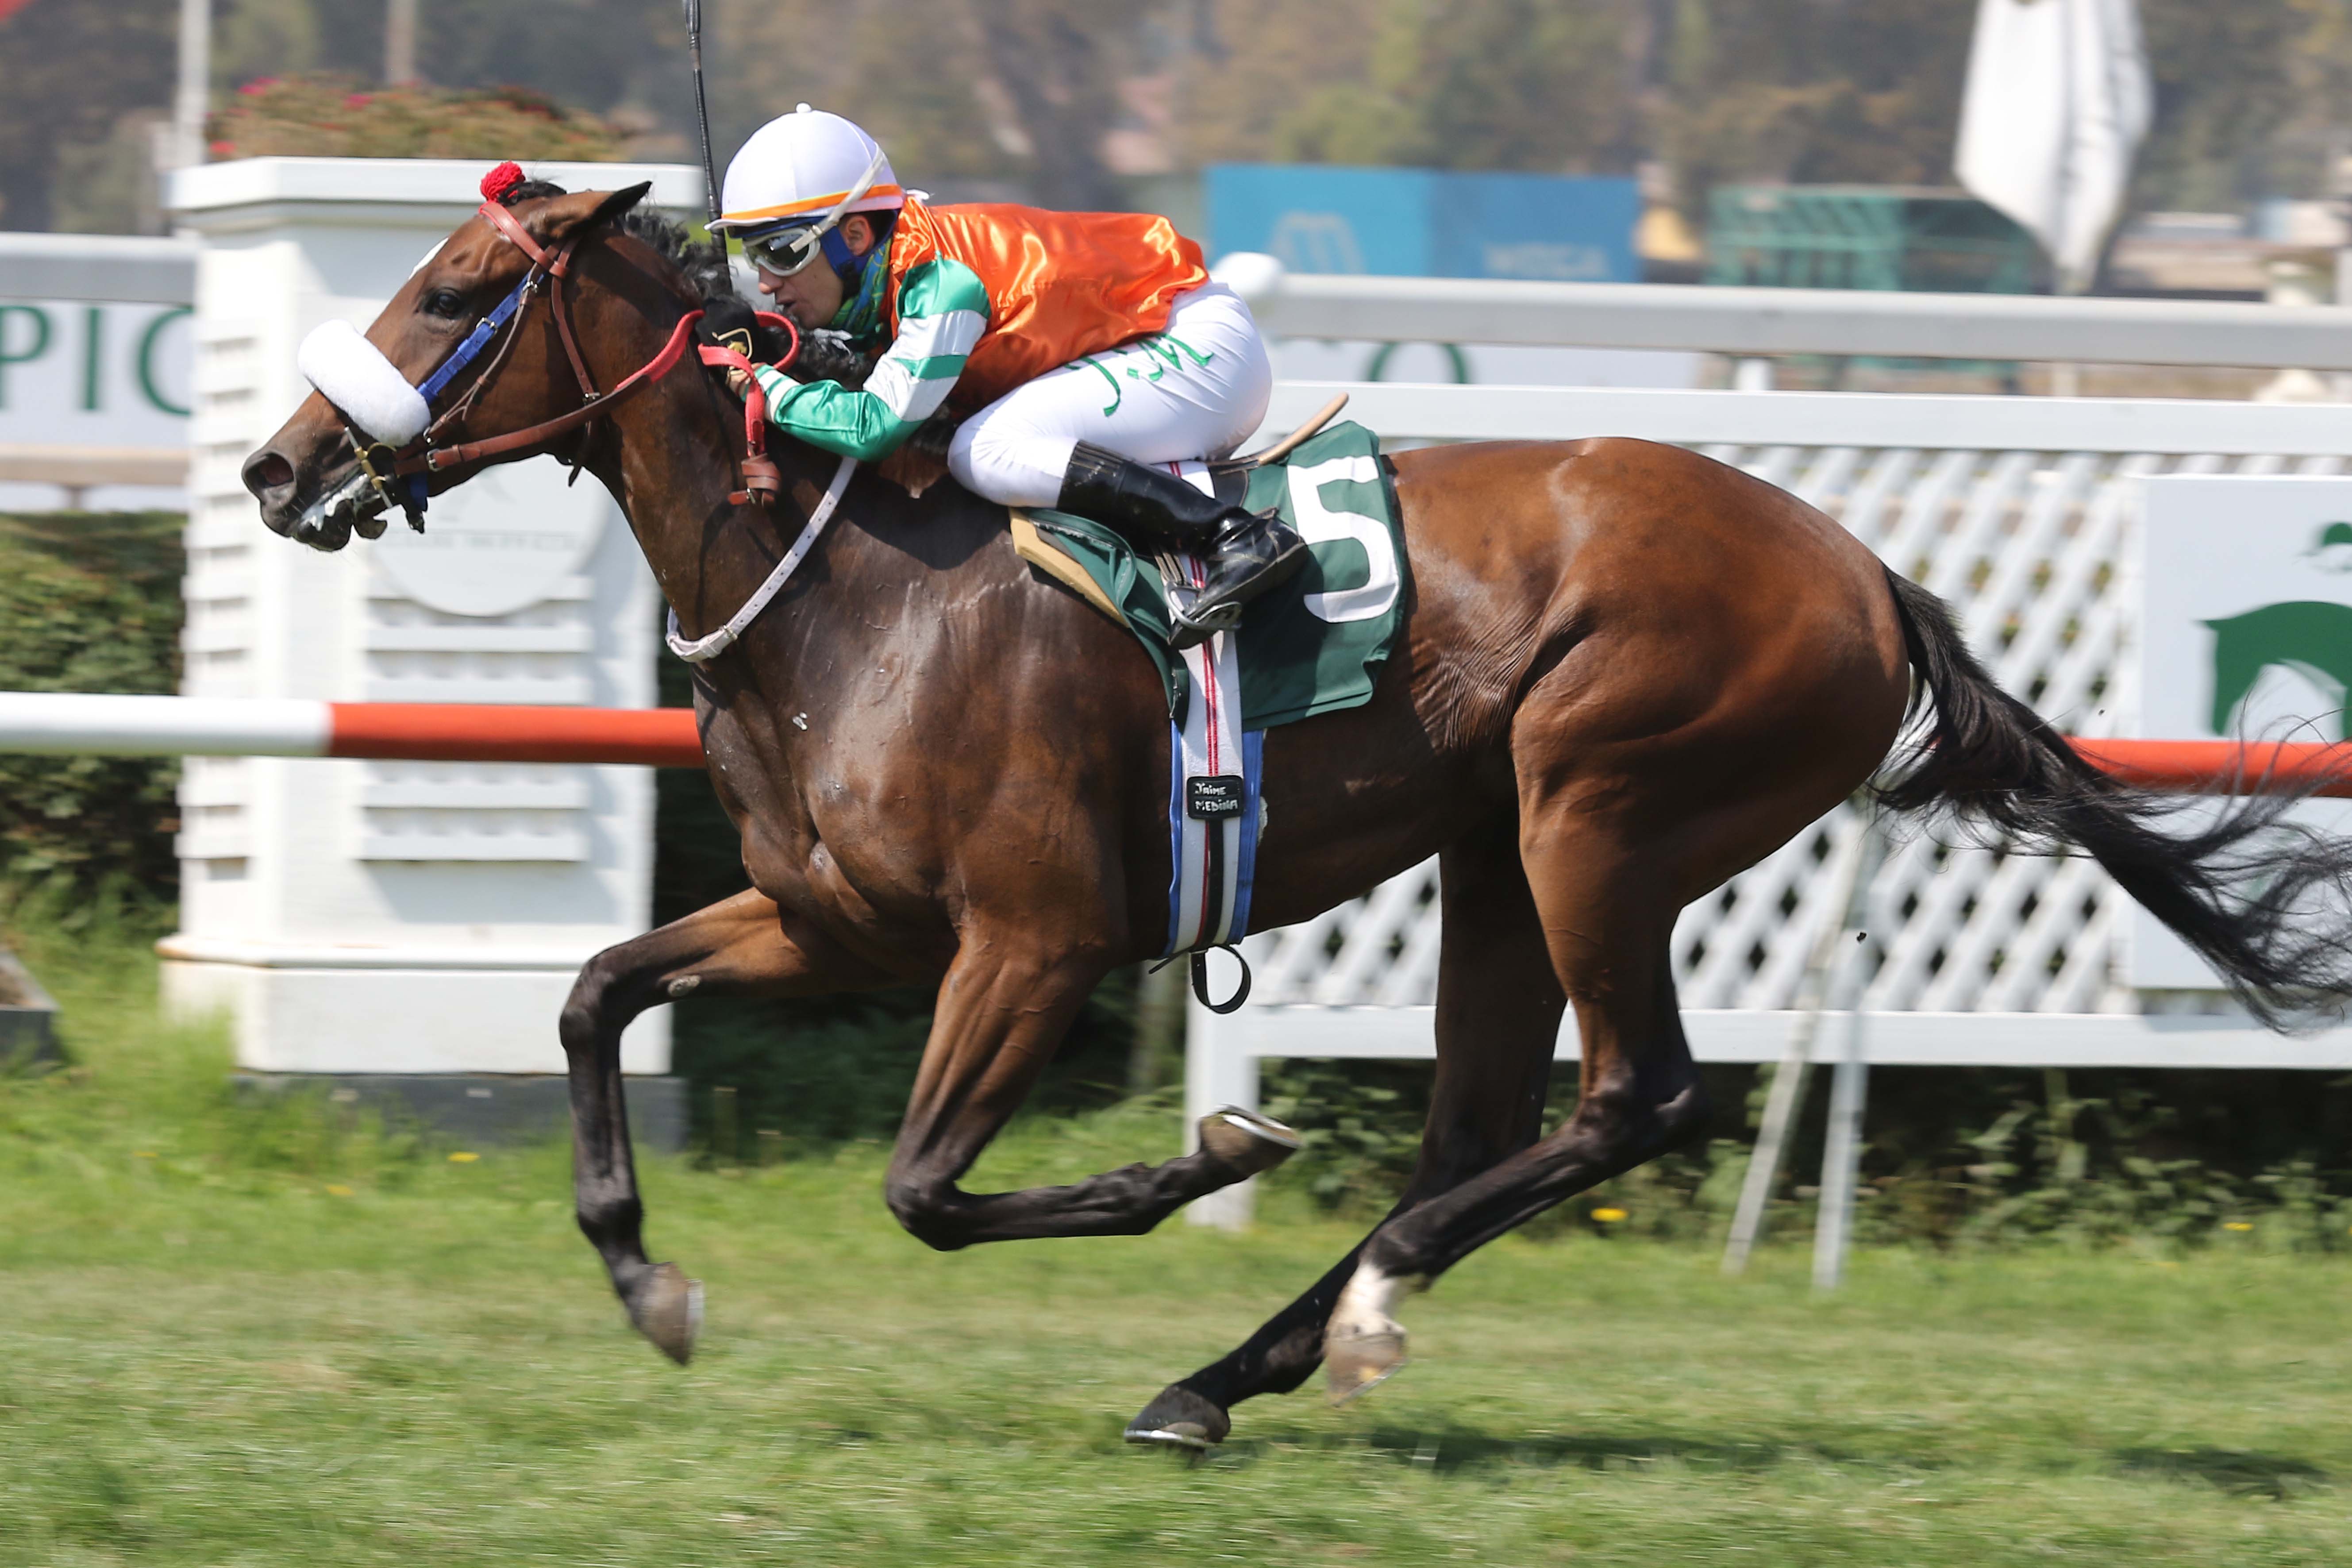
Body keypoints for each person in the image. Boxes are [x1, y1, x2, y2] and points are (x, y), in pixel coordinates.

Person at [708, 105, 1305, 647]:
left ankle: (1233, 537)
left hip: (1199, 347)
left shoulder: (941, 284)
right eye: (753, 255)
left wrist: (761, 385)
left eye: (782, 252)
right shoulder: (897, 271)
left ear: (856, 236)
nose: (766, 281)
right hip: (1164, 335)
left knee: (983, 450)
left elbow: (874, 427)